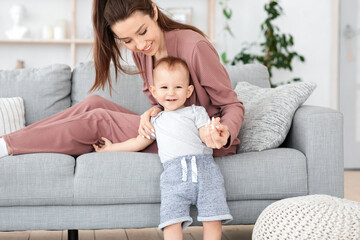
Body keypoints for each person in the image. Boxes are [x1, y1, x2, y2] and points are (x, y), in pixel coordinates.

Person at [0, 0, 244, 160]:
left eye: (142, 32)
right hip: (169, 125)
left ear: (154, 11)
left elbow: (232, 104)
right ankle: (10, 140)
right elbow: (164, 101)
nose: (139, 45)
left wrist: (224, 133)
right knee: (94, 102)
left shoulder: (194, 47)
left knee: (98, 120)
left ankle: (6, 146)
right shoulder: (142, 53)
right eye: (127, 41)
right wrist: (154, 110)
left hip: (196, 140)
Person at [93, 56, 233, 240]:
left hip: (205, 172)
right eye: (164, 87)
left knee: (213, 218)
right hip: (173, 176)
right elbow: (137, 142)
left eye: (178, 87)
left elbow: (204, 135)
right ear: (154, 91)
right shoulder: (155, 120)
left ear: (189, 90)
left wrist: (213, 129)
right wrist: (111, 148)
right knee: (171, 220)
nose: (171, 93)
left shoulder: (196, 112)